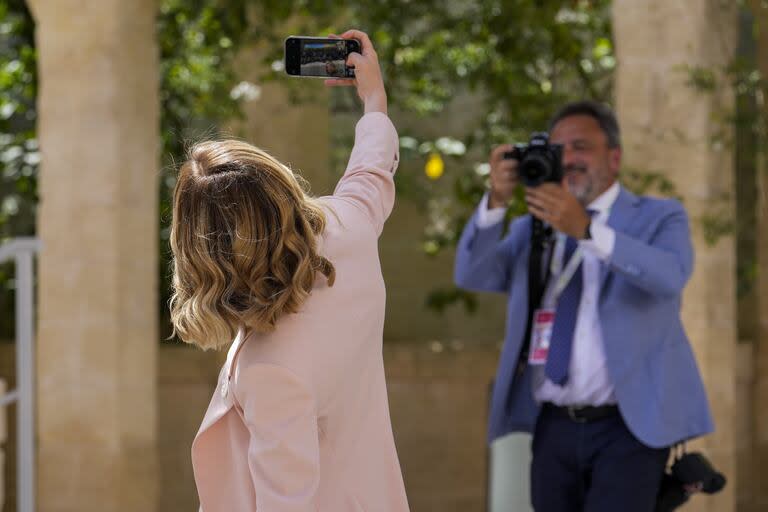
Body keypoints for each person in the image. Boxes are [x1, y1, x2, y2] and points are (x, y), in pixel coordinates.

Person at [169, 30, 410, 512]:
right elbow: (371, 172)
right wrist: (373, 100)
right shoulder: (350, 230)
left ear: (198, 249)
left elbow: (286, 500)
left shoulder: (271, 370)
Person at [454, 100, 714, 512]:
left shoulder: (660, 217)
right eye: (559, 149)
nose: (569, 159)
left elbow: (669, 276)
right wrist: (496, 204)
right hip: (554, 424)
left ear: (614, 157)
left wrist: (587, 230)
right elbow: (473, 274)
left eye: (581, 147)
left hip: (629, 426)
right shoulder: (533, 226)